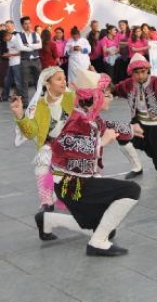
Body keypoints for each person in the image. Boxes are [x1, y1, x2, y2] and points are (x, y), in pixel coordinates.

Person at [35, 69, 143, 256]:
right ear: (96, 96)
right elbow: (70, 149)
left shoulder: (88, 116)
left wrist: (130, 130)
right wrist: (104, 142)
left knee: (107, 226)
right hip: (73, 184)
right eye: (107, 94)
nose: (110, 98)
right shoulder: (76, 120)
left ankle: (48, 220)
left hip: (76, 182)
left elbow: (106, 126)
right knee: (132, 190)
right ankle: (97, 242)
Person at [12, 67, 73, 212]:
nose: (64, 82)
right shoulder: (38, 105)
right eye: (59, 79)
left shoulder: (72, 98)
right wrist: (20, 114)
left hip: (72, 148)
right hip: (50, 147)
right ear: (47, 83)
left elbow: (92, 100)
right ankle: (46, 204)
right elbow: (30, 133)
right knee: (41, 166)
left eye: (64, 78)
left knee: (66, 188)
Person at [16, 16, 42, 102]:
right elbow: (21, 48)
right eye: (26, 24)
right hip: (25, 60)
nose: (28, 25)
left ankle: (40, 99)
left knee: (38, 80)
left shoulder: (36, 34)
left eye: (29, 23)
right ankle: (25, 101)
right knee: (25, 81)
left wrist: (28, 45)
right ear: (22, 25)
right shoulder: (18, 35)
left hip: (36, 60)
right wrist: (33, 46)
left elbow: (40, 46)